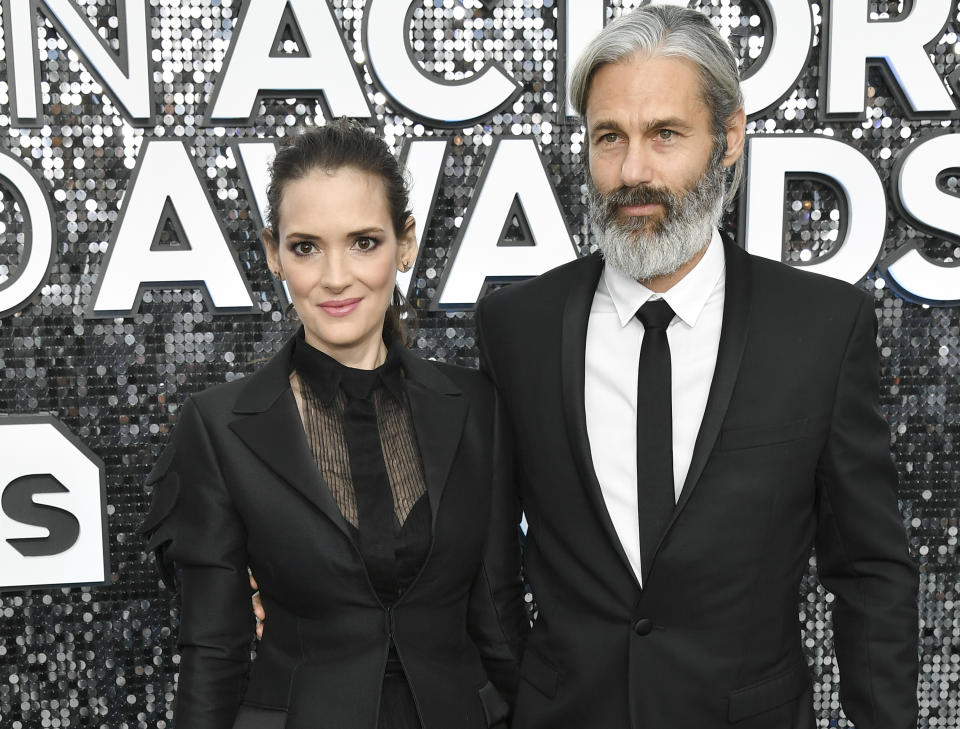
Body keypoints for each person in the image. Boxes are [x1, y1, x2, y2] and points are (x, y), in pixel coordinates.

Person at [474, 5, 918, 729]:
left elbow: (870, 571)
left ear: (730, 137)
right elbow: (490, 571)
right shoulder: (515, 328)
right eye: (608, 137)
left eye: (665, 135)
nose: (632, 172)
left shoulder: (822, 328)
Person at [138, 119, 527, 729]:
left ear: (406, 244)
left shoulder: (478, 406)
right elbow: (213, 649)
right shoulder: (218, 428)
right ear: (273, 253)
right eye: (306, 247)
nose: (336, 277)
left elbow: (499, 616)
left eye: (364, 242)